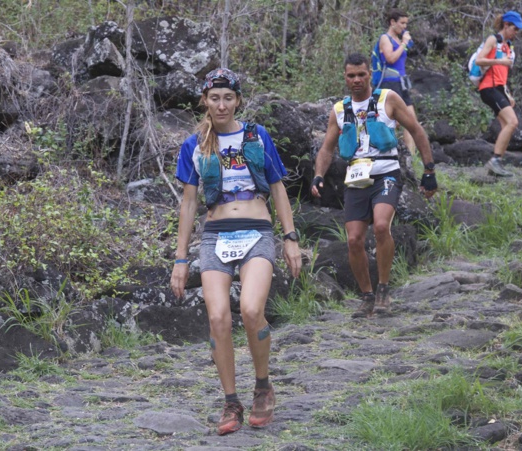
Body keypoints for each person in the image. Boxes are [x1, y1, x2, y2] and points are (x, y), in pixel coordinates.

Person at [170, 68, 302, 435]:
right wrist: (180, 260)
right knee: (218, 319)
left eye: (228, 98)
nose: (222, 104)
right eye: (215, 98)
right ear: (205, 101)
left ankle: (262, 385)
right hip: (215, 236)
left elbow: (277, 187)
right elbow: (188, 204)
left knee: (250, 309)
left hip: (257, 230)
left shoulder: (257, 137)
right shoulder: (194, 144)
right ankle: (231, 402)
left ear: (238, 100)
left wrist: (290, 238)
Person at [311, 53, 437, 318]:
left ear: (370, 74)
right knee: (354, 239)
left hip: (386, 173)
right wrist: (319, 175)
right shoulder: (339, 110)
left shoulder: (387, 100)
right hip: (356, 177)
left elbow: (416, 130)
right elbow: (327, 148)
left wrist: (429, 170)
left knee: (381, 226)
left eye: (361, 74)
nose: (356, 80)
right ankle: (367, 296)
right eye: (351, 75)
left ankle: (383, 288)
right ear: (345, 77)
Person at [475, 10, 522, 177]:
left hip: (499, 89)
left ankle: (497, 164)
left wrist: (508, 94)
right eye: (515, 29)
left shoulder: (507, 46)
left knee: (507, 126)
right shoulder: (493, 40)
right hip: (488, 88)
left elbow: (501, 75)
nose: (516, 32)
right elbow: (479, 60)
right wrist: (500, 61)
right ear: (506, 25)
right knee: (513, 122)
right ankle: (495, 161)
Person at [372, 8, 419, 155]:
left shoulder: (400, 39)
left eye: (406, 23)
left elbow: (410, 49)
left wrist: (405, 41)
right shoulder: (385, 38)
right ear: (392, 22)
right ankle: (382, 150)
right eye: (402, 23)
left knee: (411, 121)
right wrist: (403, 44)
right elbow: (390, 58)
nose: (404, 26)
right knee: (394, 121)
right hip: (389, 83)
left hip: (401, 83)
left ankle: (410, 158)